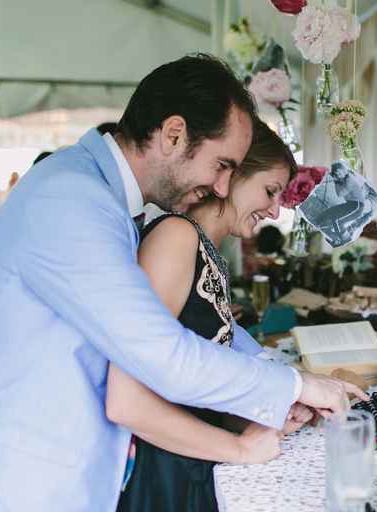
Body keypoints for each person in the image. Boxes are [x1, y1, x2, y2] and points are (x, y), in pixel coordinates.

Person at [0, 54, 364, 511]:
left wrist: (286, 377)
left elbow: (201, 326)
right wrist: (293, 389)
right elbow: (161, 351)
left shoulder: (99, 196)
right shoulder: (71, 199)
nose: (221, 188)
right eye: (221, 165)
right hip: (19, 485)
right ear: (173, 134)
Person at [109, 120, 308, 512]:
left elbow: (193, 387)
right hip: (163, 476)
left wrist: (257, 417)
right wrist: (239, 446)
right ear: (229, 175)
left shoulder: (203, 248)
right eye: (269, 191)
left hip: (190, 463)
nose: (272, 210)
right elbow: (131, 399)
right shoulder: (176, 238)